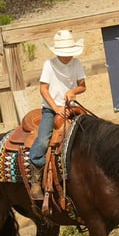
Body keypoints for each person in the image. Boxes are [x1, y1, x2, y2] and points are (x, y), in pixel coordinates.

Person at [28, 29, 87, 199]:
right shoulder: (49, 64)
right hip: (51, 109)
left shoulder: (76, 63)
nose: (68, 56)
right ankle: (35, 179)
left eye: (70, 52)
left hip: (71, 107)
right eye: (65, 53)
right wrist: (55, 108)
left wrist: (73, 91)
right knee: (43, 140)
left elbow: (82, 86)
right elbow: (43, 89)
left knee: (91, 132)